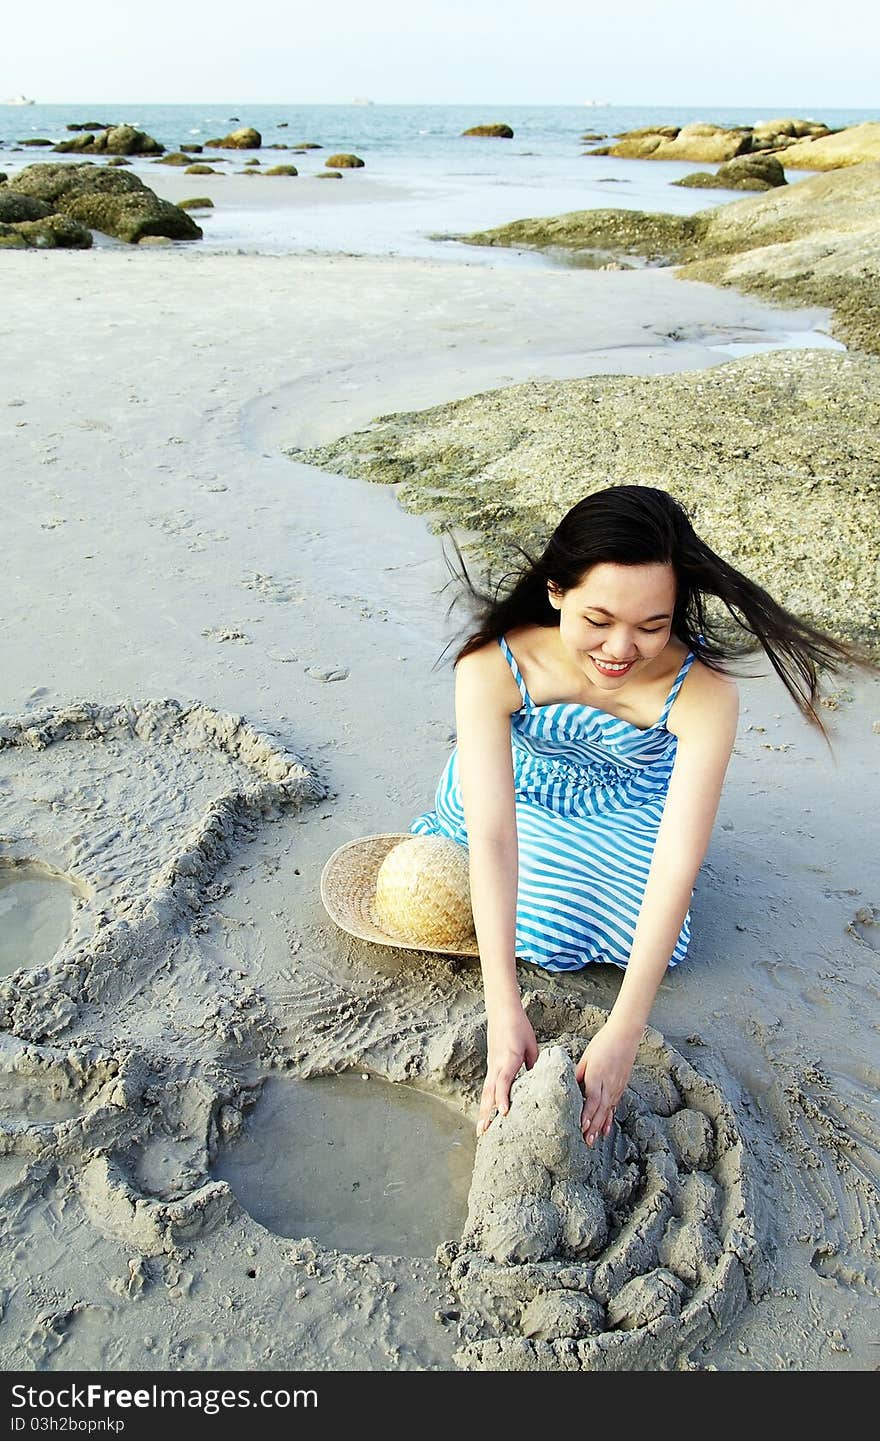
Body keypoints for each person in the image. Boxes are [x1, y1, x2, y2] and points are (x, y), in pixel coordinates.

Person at [407, 484, 872, 1149]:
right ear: (557, 590)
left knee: (652, 934)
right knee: (538, 913)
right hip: (521, 792)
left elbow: (679, 861)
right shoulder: (495, 663)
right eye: (598, 620)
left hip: (627, 804)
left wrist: (626, 1027)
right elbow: (494, 832)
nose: (620, 648)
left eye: (651, 626)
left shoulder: (703, 693)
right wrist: (503, 1008)